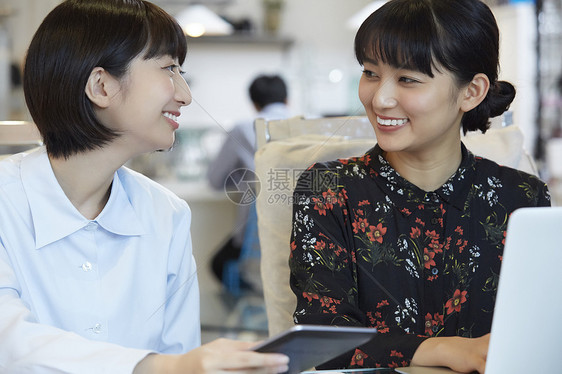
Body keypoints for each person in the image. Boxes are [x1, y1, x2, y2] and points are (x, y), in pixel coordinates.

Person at [0, 1, 289, 373]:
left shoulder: (166, 213)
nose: (184, 94)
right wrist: (161, 367)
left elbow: (179, 352)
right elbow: (8, 345)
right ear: (100, 85)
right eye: (169, 68)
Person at [288, 0, 551, 373]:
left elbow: (539, 333)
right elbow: (322, 339)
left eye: (407, 79)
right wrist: (445, 350)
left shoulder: (523, 198)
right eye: (370, 73)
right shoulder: (326, 189)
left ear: (471, 92)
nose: (380, 99)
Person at [208, 75, 290, 293]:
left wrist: (242, 177)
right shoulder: (309, 122)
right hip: (304, 236)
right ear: (287, 100)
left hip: (258, 240)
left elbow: (215, 181)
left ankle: (253, 309)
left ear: (254, 104)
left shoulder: (244, 128)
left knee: (218, 264)